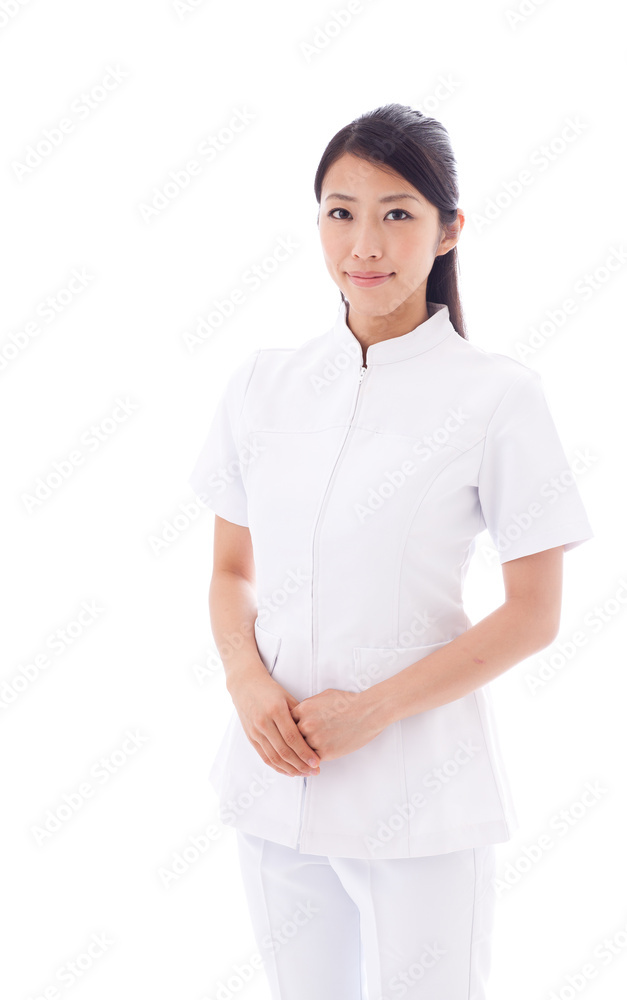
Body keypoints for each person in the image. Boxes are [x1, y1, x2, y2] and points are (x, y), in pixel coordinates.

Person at [187, 103, 594, 1000]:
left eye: (397, 213)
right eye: (340, 212)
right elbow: (229, 573)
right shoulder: (262, 384)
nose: (363, 244)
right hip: (273, 779)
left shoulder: (497, 398)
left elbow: (534, 615)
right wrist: (247, 685)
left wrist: (369, 713)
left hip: (421, 794)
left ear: (449, 230)